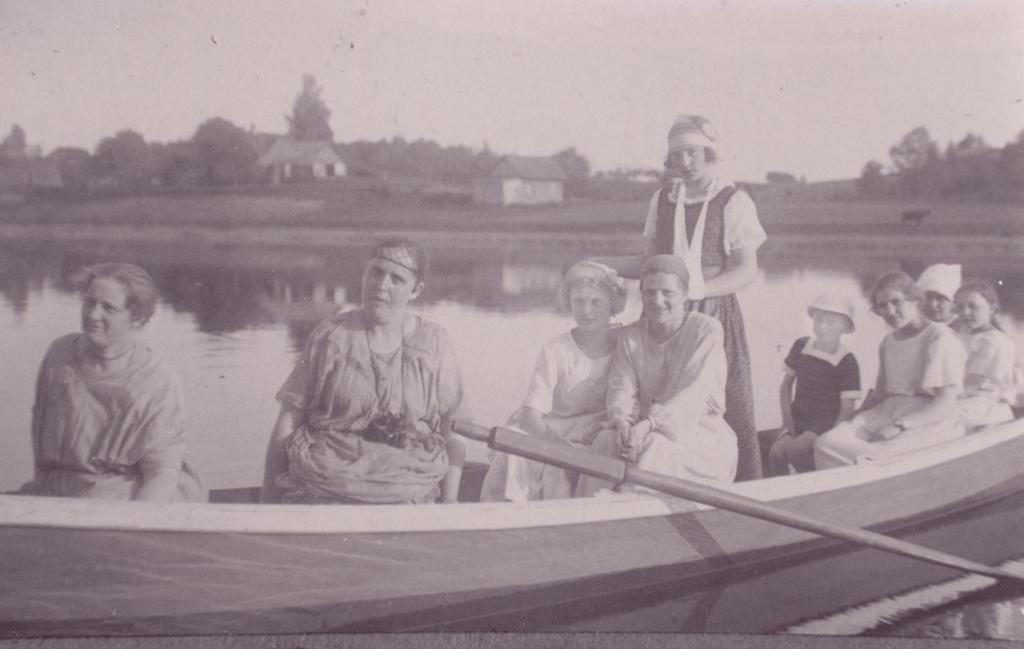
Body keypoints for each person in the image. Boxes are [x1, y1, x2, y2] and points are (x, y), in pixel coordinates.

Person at [591, 115, 765, 480]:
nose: (684, 163)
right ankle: (637, 477)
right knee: (644, 394)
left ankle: (742, 487)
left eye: (692, 153)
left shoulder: (732, 201)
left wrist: (699, 290)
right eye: (676, 155)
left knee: (722, 402)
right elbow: (649, 263)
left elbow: (747, 270)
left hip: (713, 311)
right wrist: (597, 264)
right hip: (661, 307)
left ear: (710, 153)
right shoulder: (664, 200)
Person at [261, 237, 465, 504]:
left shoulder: (434, 343)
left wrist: (449, 504)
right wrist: (268, 501)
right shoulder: (331, 337)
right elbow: (288, 421)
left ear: (416, 290)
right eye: (376, 273)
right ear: (364, 274)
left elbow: (454, 428)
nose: (381, 286)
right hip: (325, 486)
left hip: (408, 489)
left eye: (396, 279)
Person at [18, 263, 205, 501]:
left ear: (136, 318)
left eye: (108, 308)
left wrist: (127, 528)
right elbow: (41, 447)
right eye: (89, 302)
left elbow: (161, 474)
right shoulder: (59, 355)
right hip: (57, 491)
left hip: (122, 497)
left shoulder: (156, 381)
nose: (93, 315)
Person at [576, 255, 737, 496]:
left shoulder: (706, 330)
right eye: (649, 292)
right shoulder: (631, 336)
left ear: (684, 294)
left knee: (655, 447)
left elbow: (692, 392)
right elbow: (621, 387)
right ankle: (585, 516)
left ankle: (633, 515)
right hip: (641, 429)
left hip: (697, 434)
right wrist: (622, 421)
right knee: (606, 441)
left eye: (667, 293)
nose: (657, 301)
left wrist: (651, 424)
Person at [479, 261, 626, 501]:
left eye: (596, 302)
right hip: (553, 434)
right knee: (518, 447)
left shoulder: (626, 345)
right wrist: (564, 451)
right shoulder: (556, 349)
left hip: (596, 440)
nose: (586, 310)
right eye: (578, 302)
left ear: (613, 305)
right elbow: (530, 416)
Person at [814, 272, 966, 469]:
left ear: (914, 300)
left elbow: (945, 402)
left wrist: (900, 425)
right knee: (826, 442)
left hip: (930, 417)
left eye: (896, 302)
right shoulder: (888, 342)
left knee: (878, 454)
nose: (890, 311)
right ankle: (841, 492)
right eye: (882, 306)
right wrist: (851, 418)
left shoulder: (939, 338)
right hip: (889, 410)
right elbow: (880, 395)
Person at [767, 292, 861, 476]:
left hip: (825, 424)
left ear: (844, 327)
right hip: (798, 418)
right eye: (818, 319)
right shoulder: (802, 346)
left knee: (796, 451)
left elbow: (847, 411)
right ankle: (779, 492)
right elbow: (785, 388)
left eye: (831, 322)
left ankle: (811, 487)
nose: (823, 326)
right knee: (776, 453)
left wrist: (827, 439)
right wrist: (787, 425)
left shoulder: (846, 361)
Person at [954, 279, 1016, 428]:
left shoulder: (994, 341)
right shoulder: (963, 334)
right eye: (960, 307)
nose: (965, 312)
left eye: (973, 306)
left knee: (939, 418)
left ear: (992, 309)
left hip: (986, 404)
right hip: (964, 398)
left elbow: (973, 382)